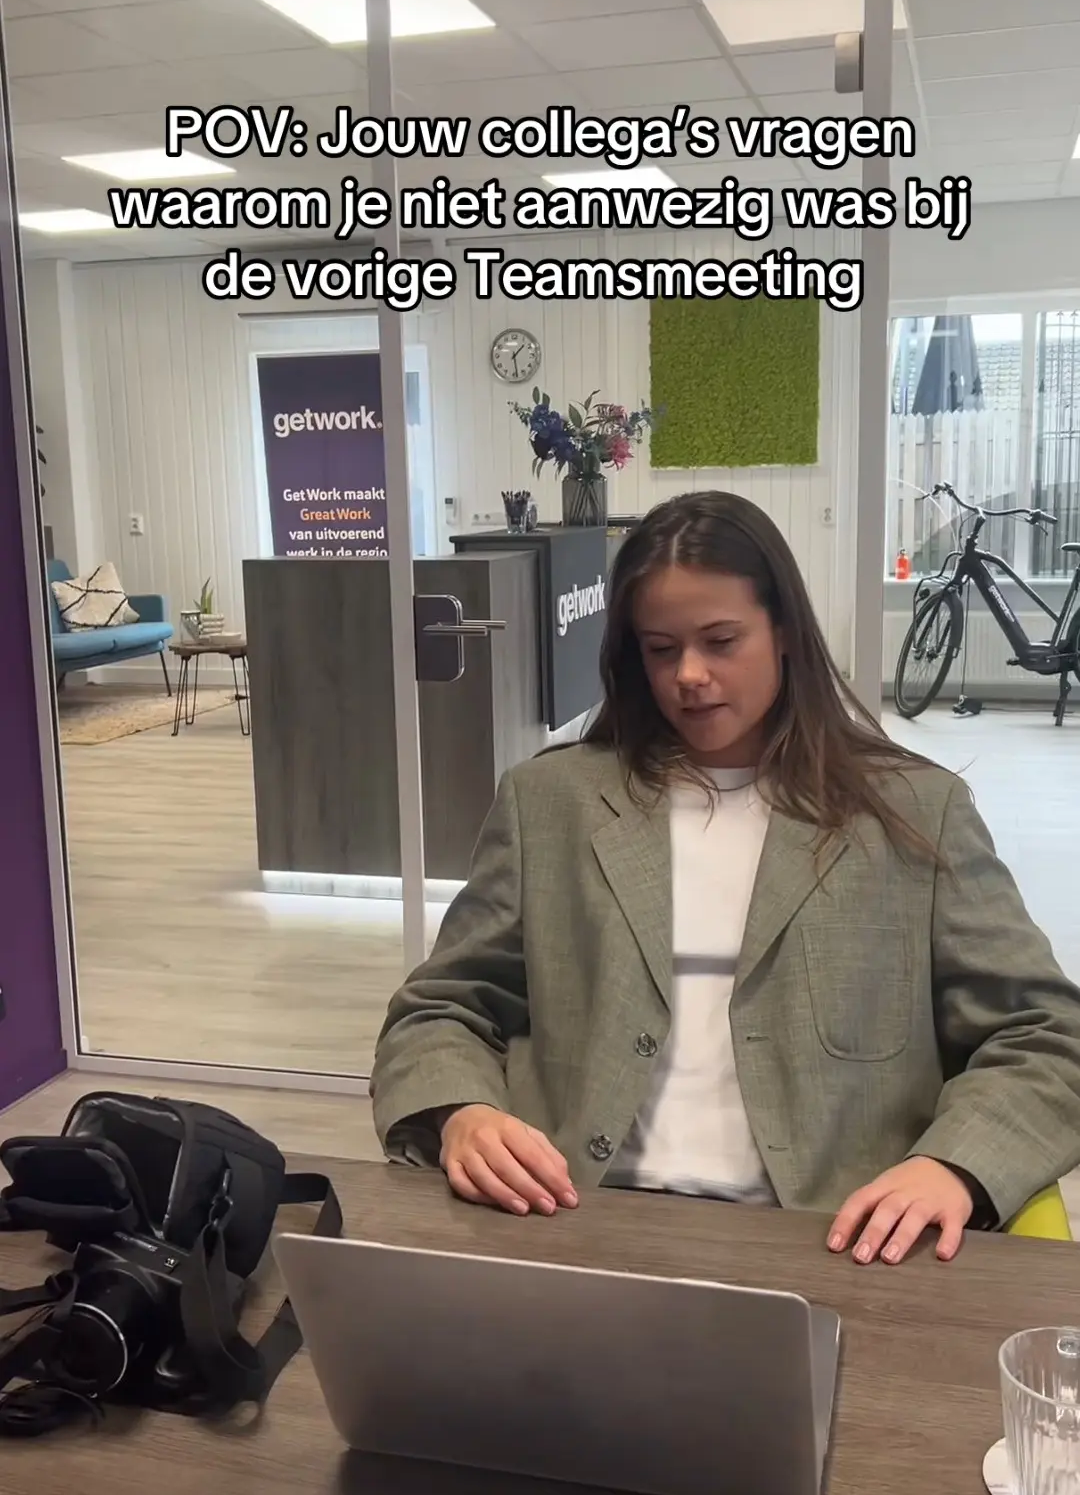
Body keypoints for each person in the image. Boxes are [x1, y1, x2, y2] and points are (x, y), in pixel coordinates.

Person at [372, 492, 1080, 1264]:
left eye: (720, 641)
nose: (690, 675)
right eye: (660, 649)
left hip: (833, 1245)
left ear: (784, 632)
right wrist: (463, 1112)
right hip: (571, 1225)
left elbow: (1048, 1037)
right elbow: (438, 1010)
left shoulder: (913, 812)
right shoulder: (550, 804)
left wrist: (952, 1166)